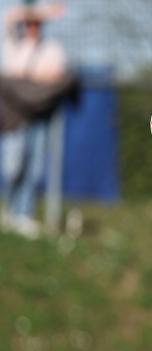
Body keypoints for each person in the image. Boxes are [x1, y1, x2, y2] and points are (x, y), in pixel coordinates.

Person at [0, 1, 68, 238]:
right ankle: (9, 208)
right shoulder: (14, 44)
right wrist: (46, 12)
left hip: (40, 116)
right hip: (15, 117)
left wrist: (26, 79)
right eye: (29, 22)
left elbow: (54, 75)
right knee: (13, 165)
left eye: (36, 23)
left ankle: (23, 214)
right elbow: (10, 16)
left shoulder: (51, 48)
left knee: (35, 165)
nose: (32, 27)